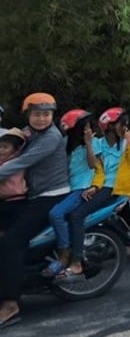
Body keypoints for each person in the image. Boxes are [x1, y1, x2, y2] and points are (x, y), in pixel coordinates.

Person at [0, 93, 69, 328]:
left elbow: (20, 162)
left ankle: (10, 304)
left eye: (46, 114)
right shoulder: (29, 133)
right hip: (30, 196)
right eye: (36, 114)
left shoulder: (51, 137)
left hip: (51, 196)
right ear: (28, 115)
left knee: (11, 241)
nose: (41, 118)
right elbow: (12, 140)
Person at [42, 109, 103, 279]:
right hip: (65, 188)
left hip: (82, 188)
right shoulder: (65, 142)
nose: (87, 129)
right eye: (83, 127)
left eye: (89, 126)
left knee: (56, 214)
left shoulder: (94, 142)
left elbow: (92, 165)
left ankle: (65, 253)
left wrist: (89, 143)